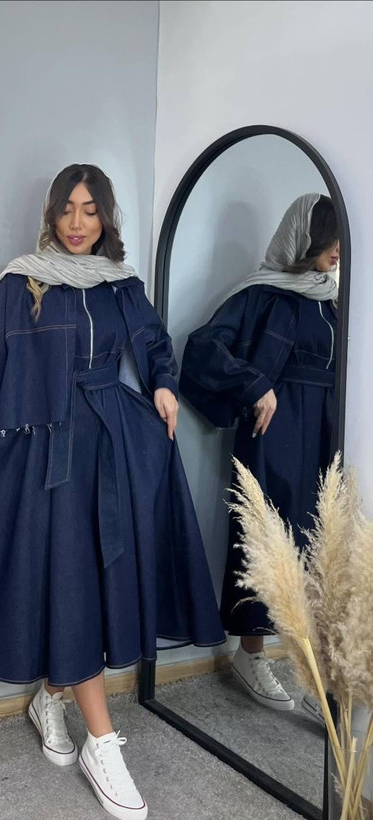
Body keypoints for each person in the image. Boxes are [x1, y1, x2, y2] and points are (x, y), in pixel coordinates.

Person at [0, 164, 225, 820]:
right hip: (44, 453)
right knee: (69, 585)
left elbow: (153, 344)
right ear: (50, 213)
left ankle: (51, 698)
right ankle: (102, 743)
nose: (76, 222)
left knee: (89, 583)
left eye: (89, 210)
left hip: (113, 447)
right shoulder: (22, 282)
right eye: (66, 208)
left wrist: (163, 384)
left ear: (106, 217)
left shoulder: (122, 285)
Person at [179, 193, 339, 714]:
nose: (337, 248)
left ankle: (317, 672)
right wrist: (254, 385)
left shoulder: (334, 300)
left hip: (325, 432)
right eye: (329, 237)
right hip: (275, 431)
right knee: (267, 536)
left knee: (322, 544)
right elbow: (202, 348)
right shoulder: (263, 294)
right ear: (304, 237)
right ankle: (250, 652)